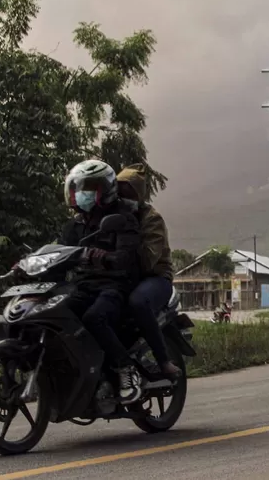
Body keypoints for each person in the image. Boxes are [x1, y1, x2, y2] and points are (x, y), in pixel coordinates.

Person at [60, 159, 144, 404]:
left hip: (113, 286)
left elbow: (126, 258)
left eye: (89, 188)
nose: (82, 194)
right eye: (78, 188)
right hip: (82, 286)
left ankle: (125, 368)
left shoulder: (122, 220)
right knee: (57, 313)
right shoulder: (73, 226)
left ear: (104, 190)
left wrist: (104, 257)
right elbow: (61, 255)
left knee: (94, 317)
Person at [116, 164, 182, 379]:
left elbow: (148, 261)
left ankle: (163, 360)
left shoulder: (151, 219)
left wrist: (131, 230)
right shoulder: (109, 216)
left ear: (139, 194)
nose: (122, 195)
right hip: (123, 277)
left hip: (155, 278)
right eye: (118, 190)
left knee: (138, 302)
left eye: (128, 191)